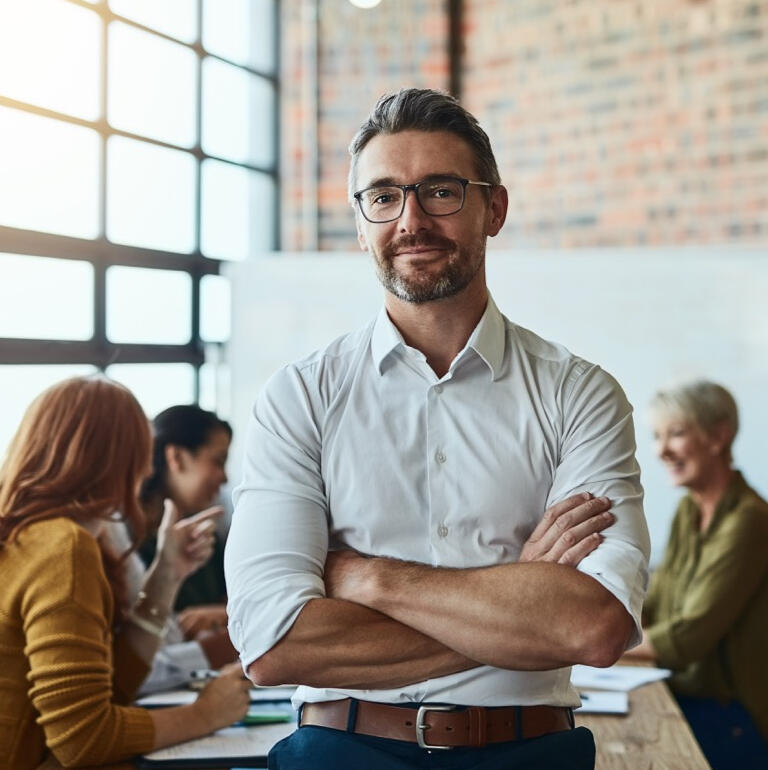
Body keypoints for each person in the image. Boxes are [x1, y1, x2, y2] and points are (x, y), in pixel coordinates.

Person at [225, 88, 650, 770]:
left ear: (495, 208)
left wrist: (368, 579)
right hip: (338, 752)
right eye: (384, 196)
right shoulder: (300, 396)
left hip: (528, 753)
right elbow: (275, 646)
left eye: (442, 192)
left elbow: (593, 626)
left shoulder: (580, 394)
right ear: (361, 223)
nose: (411, 219)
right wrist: (520, 590)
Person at [0, 377, 250, 770]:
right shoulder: (64, 546)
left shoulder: (30, 536)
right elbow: (83, 739)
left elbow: (109, 690)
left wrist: (166, 575)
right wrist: (206, 714)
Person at [624, 380, 768, 768]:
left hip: (736, 718)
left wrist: (589, 645)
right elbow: (652, 604)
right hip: (688, 695)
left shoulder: (750, 520)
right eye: (658, 436)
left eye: (677, 433)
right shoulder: (690, 510)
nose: (661, 450)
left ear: (719, 435)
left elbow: (688, 637)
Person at [140, 405, 231, 623]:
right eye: (218, 461)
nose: (225, 477)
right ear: (177, 457)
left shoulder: (207, 539)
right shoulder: (128, 542)